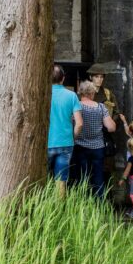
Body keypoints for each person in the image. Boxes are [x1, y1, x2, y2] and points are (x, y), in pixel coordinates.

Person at [73, 80, 116, 199]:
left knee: (82, 178)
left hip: (80, 146)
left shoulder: (77, 106)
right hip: (98, 147)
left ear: (81, 93)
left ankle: (83, 205)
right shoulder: (101, 107)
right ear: (92, 93)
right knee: (98, 178)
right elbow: (111, 128)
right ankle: (99, 207)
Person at [47, 64, 83, 193]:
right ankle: (60, 209)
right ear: (63, 78)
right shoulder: (72, 96)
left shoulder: (42, 94)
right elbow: (79, 123)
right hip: (65, 143)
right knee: (61, 180)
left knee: (42, 178)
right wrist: (72, 138)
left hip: (46, 142)